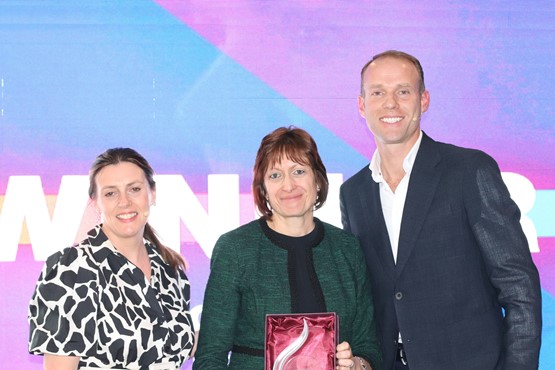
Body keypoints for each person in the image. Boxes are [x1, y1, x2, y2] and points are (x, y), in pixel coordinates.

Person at [339, 50, 542, 370]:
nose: (390, 103)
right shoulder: (353, 193)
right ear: (362, 105)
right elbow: (366, 298)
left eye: (403, 91)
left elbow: (518, 286)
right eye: (377, 92)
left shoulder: (468, 171)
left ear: (424, 100)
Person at [193, 126, 382, 369]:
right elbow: (210, 357)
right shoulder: (236, 249)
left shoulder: (348, 249)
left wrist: (356, 365)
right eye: (275, 175)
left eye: (299, 171)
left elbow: (369, 347)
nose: (288, 185)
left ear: (318, 180)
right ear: (263, 188)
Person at [28, 148, 196, 370]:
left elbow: (173, 347)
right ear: (95, 202)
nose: (124, 202)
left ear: (152, 194)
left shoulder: (171, 270)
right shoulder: (72, 270)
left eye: (134, 189)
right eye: (110, 193)